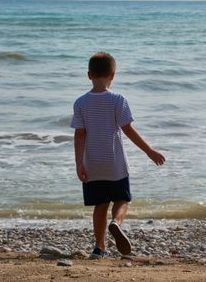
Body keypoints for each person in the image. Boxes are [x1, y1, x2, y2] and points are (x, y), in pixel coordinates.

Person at [71, 52, 165, 259]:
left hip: (92, 163)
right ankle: (116, 223)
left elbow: (79, 136)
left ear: (89, 75)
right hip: (115, 163)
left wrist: (79, 164)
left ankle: (99, 247)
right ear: (113, 75)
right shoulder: (118, 100)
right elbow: (128, 130)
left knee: (100, 205)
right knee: (122, 199)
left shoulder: (80, 103)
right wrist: (149, 151)